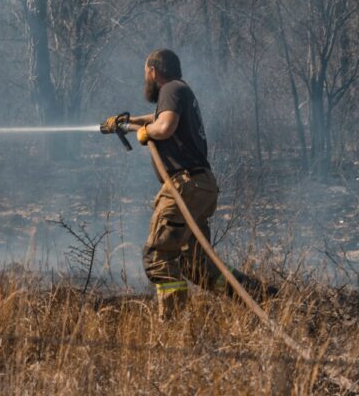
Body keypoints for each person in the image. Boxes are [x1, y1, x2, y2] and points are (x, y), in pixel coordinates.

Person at [102, 49, 274, 320]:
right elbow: (158, 118)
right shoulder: (180, 91)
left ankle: (172, 325)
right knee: (198, 266)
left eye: (145, 72)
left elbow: (165, 126)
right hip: (201, 186)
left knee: (158, 256)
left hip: (185, 185)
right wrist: (130, 122)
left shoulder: (170, 89)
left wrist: (147, 133)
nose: (145, 77)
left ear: (153, 71)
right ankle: (260, 296)